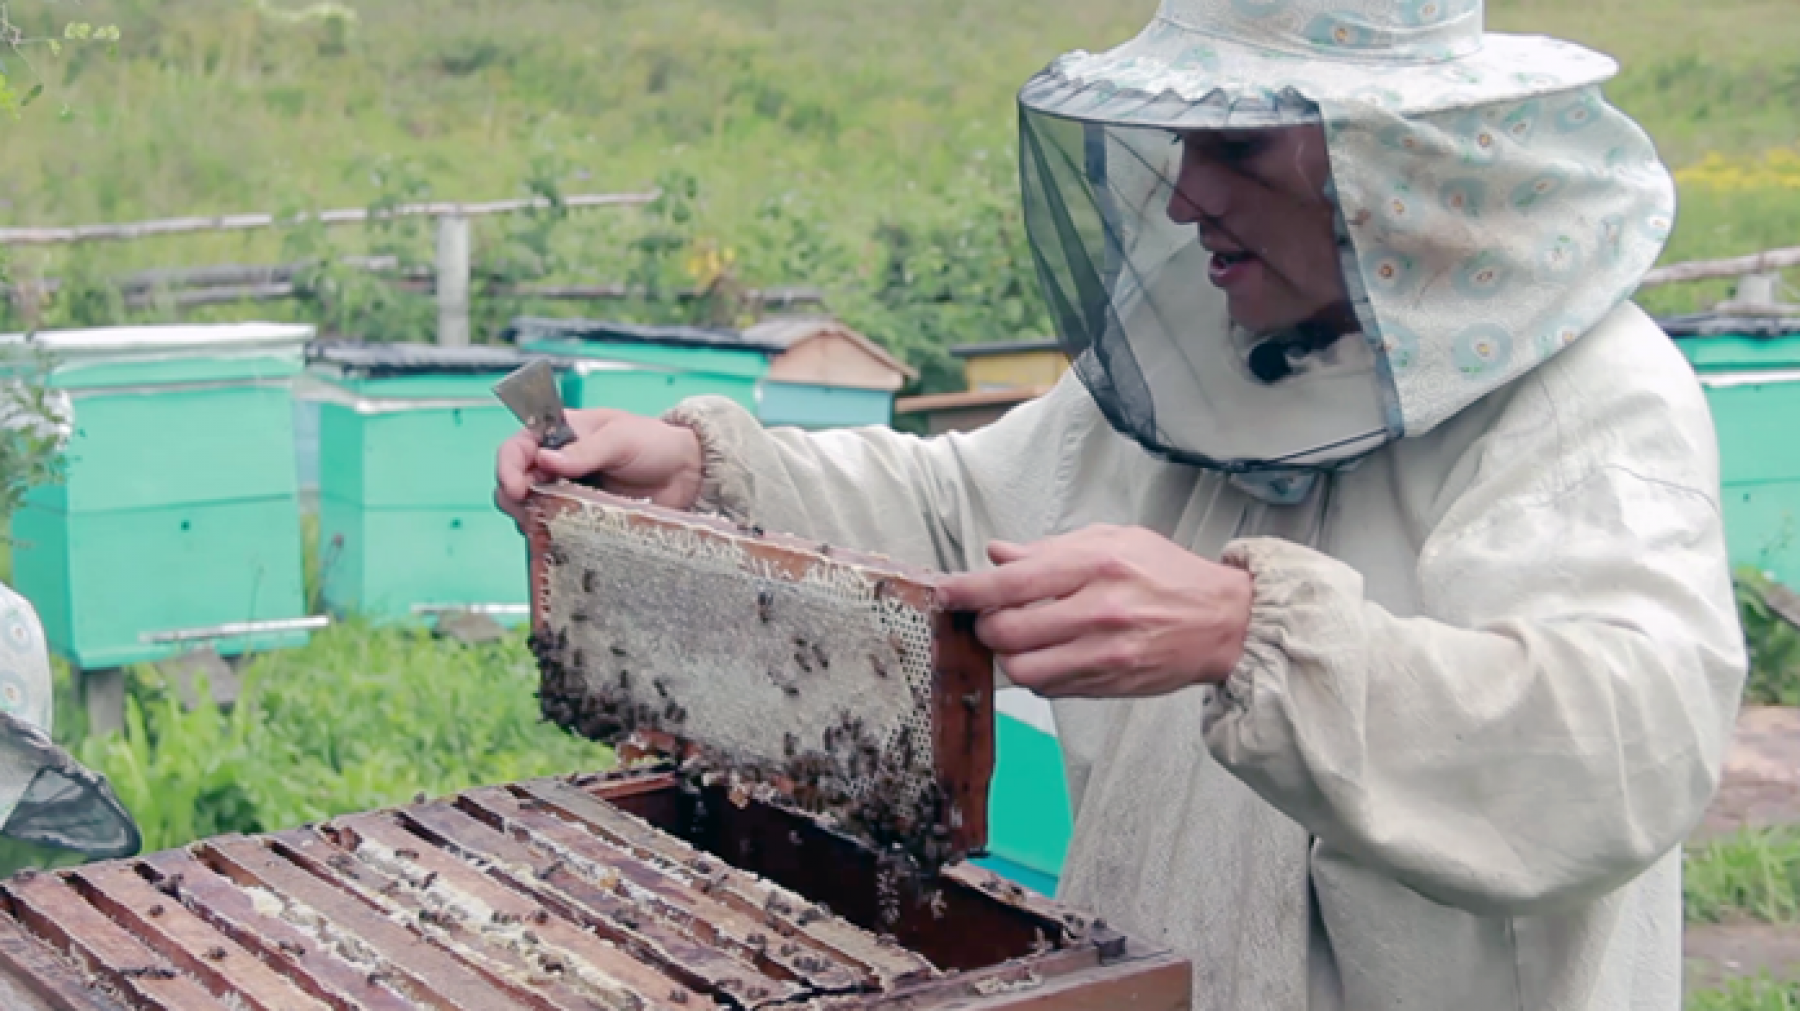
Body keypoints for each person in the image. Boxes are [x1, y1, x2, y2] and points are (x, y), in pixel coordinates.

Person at [497, 0, 1746, 1007]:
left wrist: (1248, 635)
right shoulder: (1202, 358)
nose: (1185, 194)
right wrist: (708, 472)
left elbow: (1620, 748)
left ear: (1389, 162)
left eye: (1237, 145)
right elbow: (958, 512)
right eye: (1180, 142)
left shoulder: (1589, 403)